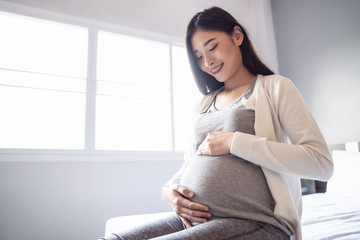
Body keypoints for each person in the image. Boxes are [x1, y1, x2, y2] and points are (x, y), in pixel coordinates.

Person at [100, 6, 333, 240]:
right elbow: (190, 163)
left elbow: (321, 163)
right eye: (199, 57)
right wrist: (169, 192)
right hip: (194, 221)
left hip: (255, 222)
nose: (208, 61)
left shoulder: (275, 87)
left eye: (212, 47)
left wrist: (235, 142)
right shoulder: (204, 104)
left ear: (237, 36)